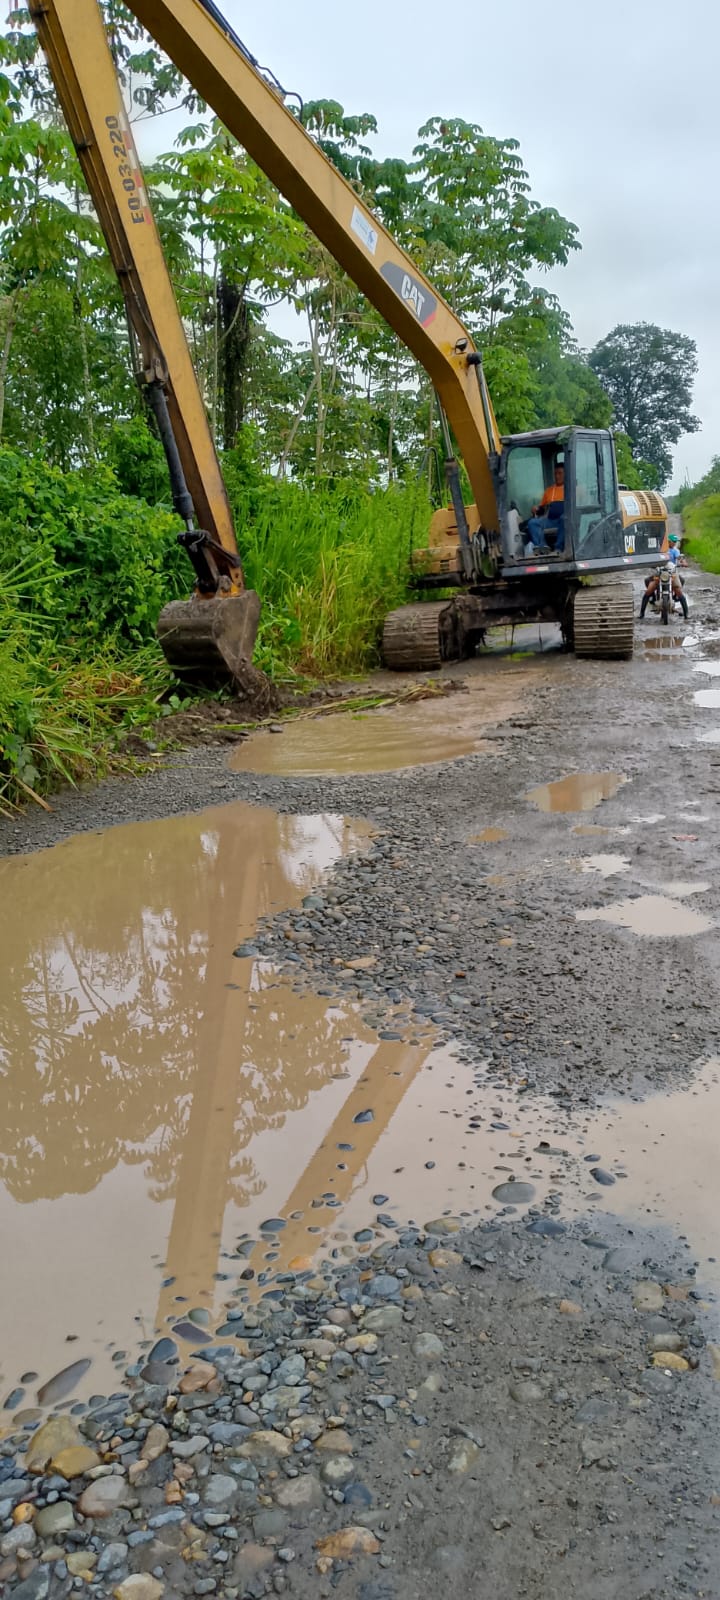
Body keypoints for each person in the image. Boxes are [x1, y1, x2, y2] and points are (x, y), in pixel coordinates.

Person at [525, 462, 565, 553]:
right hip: (551, 521)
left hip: (565, 521)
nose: (557, 476)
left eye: (560, 473)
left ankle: (558, 548)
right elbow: (542, 508)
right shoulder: (549, 491)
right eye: (555, 474)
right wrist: (536, 508)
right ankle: (542, 547)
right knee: (532, 523)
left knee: (564, 518)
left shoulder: (572, 489)